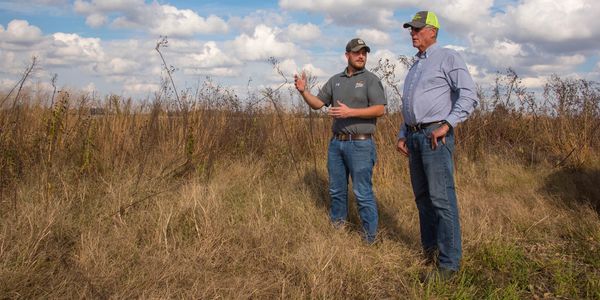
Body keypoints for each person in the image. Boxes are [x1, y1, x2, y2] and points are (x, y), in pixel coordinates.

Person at [396, 11, 478, 279]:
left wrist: (448, 124)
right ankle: (430, 251)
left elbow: (468, 94)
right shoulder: (416, 64)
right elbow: (411, 102)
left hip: (435, 136)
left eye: (418, 29)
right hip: (415, 136)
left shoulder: (448, 57)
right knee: (423, 199)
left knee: (441, 199)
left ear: (433, 31)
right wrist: (402, 132)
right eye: (411, 29)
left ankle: (449, 265)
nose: (413, 32)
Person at [294, 38, 387, 244]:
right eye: (357, 53)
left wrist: (350, 112)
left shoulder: (371, 80)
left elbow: (380, 109)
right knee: (336, 190)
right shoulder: (336, 80)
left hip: (361, 144)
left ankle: (370, 238)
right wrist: (303, 91)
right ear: (347, 55)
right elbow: (318, 104)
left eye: (364, 53)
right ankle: (338, 231)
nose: (361, 56)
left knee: (362, 193)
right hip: (337, 144)